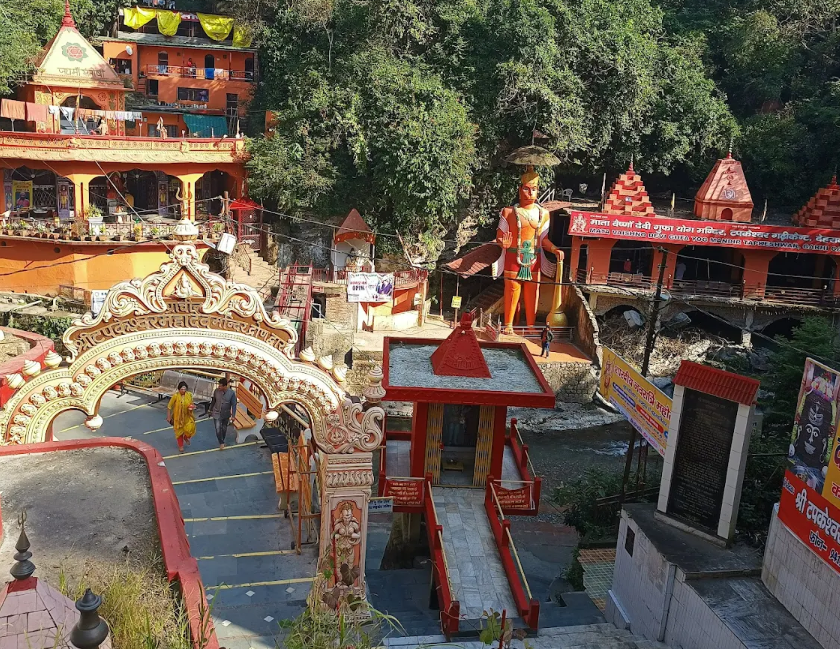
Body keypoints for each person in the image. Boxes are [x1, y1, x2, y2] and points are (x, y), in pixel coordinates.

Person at [167, 381, 196, 453]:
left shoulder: (189, 395)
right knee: (179, 432)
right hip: (178, 418)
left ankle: (186, 437)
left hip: (187, 416)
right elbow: (169, 406)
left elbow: (191, 404)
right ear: (179, 389)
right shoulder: (175, 396)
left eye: (184, 389)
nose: (183, 391)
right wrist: (169, 417)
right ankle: (181, 446)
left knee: (190, 429)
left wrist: (191, 407)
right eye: (182, 389)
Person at [209, 377, 237, 449]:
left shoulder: (231, 393)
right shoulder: (216, 391)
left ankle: (222, 440)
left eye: (220, 386)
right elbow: (213, 401)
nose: (219, 387)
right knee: (217, 428)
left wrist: (233, 415)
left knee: (224, 428)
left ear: (225, 386)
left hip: (226, 413)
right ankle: (221, 442)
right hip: (216, 413)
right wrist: (210, 410)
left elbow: (234, 405)